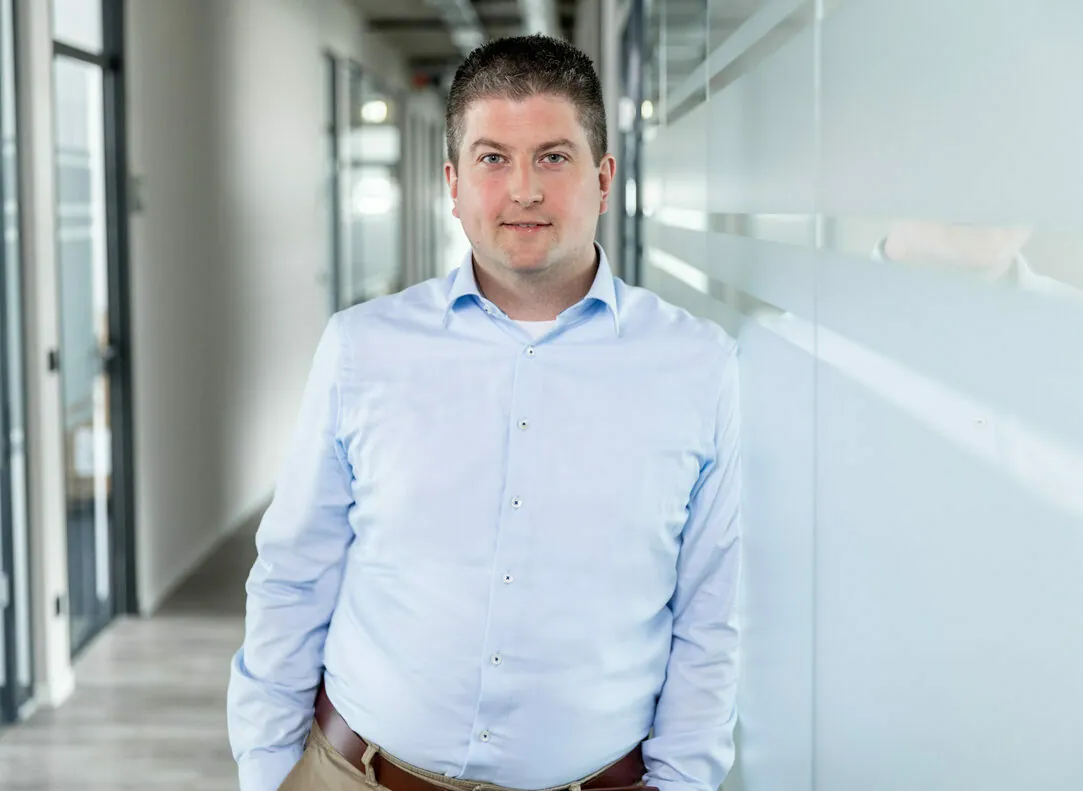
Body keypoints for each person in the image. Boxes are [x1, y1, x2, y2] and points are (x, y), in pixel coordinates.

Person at [227, 34, 742, 791]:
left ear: (603, 178)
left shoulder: (697, 364)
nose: (523, 190)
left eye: (553, 157)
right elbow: (293, 575)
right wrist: (269, 770)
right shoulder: (361, 348)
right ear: (454, 183)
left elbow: (709, 612)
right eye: (493, 158)